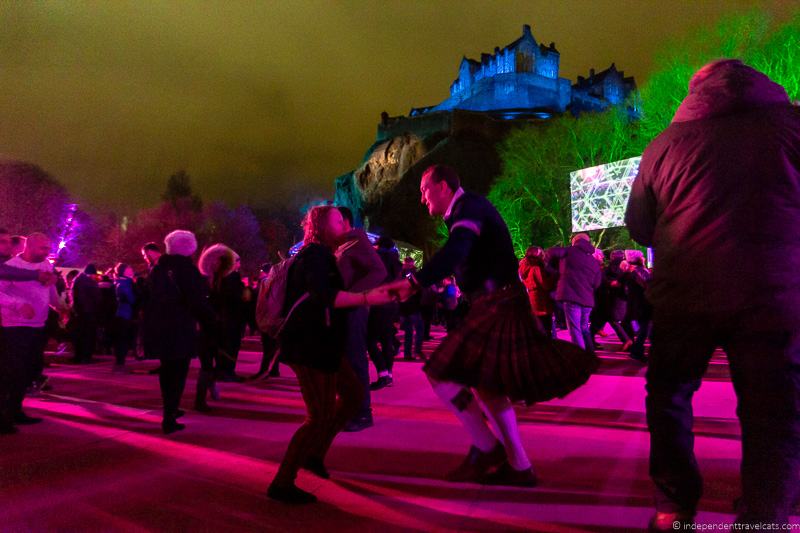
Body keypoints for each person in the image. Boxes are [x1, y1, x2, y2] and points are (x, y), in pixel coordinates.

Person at [624, 59, 800, 529]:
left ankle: (674, 507)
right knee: (773, 410)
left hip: (685, 294)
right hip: (773, 292)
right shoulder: (791, 127)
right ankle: (766, 516)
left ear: (696, 92)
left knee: (669, 397)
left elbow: (639, 225)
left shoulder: (663, 145)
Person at [377, 165, 596, 486]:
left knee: (442, 372)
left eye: (424, 191)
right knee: (487, 385)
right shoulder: (470, 209)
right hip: (497, 302)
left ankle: (487, 448)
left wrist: (415, 281)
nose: (422, 199)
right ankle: (519, 467)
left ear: (442, 186)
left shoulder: (470, 209)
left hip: (498, 303)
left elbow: (457, 250)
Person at [268, 205, 392, 504]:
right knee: (318, 416)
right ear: (322, 226)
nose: (345, 226)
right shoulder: (315, 255)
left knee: (352, 395)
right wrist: (367, 296)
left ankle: (314, 455)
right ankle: (282, 482)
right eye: (339, 222)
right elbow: (323, 295)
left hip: (323, 342)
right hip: (309, 344)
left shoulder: (324, 254)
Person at [143, 230, 214, 434]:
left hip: (161, 326)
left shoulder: (158, 268)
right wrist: (211, 321)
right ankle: (170, 415)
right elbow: (197, 301)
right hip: (181, 326)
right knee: (179, 371)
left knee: (167, 371)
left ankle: (170, 409)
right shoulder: (186, 269)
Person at [0, 233, 68, 434]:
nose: (46, 252)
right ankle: (4, 416)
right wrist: (18, 305)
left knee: (27, 371)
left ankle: (15, 410)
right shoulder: (12, 267)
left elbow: (50, 288)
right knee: (12, 372)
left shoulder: (45, 264)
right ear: (28, 247)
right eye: (42, 248)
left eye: (48, 248)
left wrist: (60, 306)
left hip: (38, 325)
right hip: (15, 326)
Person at [334, 206, 386, 432]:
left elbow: (379, 271)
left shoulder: (357, 240)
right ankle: (348, 409)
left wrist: (353, 295)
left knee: (355, 360)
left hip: (353, 310)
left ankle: (363, 413)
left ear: (345, 221)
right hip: (341, 310)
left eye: (334, 220)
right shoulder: (341, 244)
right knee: (344, 361)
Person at [549, 234, 602, 352]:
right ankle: (590, 352)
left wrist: (554, 272)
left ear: (575, 242)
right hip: (588, 300)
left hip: (572, 297)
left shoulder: (569, 252)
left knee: (575, 329)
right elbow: (597, 284)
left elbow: (551, 252)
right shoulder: (594, 261)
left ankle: (581, 357)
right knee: (584, 327)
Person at [367, 235, 402, 390]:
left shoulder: (377, 257)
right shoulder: (396, 261)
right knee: (387, 340)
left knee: (370, 340)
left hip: (378, 301)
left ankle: (383, 374)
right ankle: (389, 374)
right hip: (392, 303)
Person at [518, 246, 555, 336]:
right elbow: (544, 284)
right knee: (546, 326)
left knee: (538, 326)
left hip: (532, 297)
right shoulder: (536, 268)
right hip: (541, 298)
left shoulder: (522, 266)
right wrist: (554, 277)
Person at [70, 264, 102, 364]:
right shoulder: (88, 282)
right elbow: (92, 298)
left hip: (80, 312)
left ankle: (79, 356)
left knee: (80, 335)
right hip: (88, 312)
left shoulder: (78, 280)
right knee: (88, 335)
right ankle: (85, 356)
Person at [112, 263, 137, 372]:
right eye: (129, 268)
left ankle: (120, 362)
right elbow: (131, 298)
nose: (131, 269)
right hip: (125, 313)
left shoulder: (120, 282)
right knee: (123, 339)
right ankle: (120, 363)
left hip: (122, 313)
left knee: (122, 338)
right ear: (123, 271)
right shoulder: (125, 283)